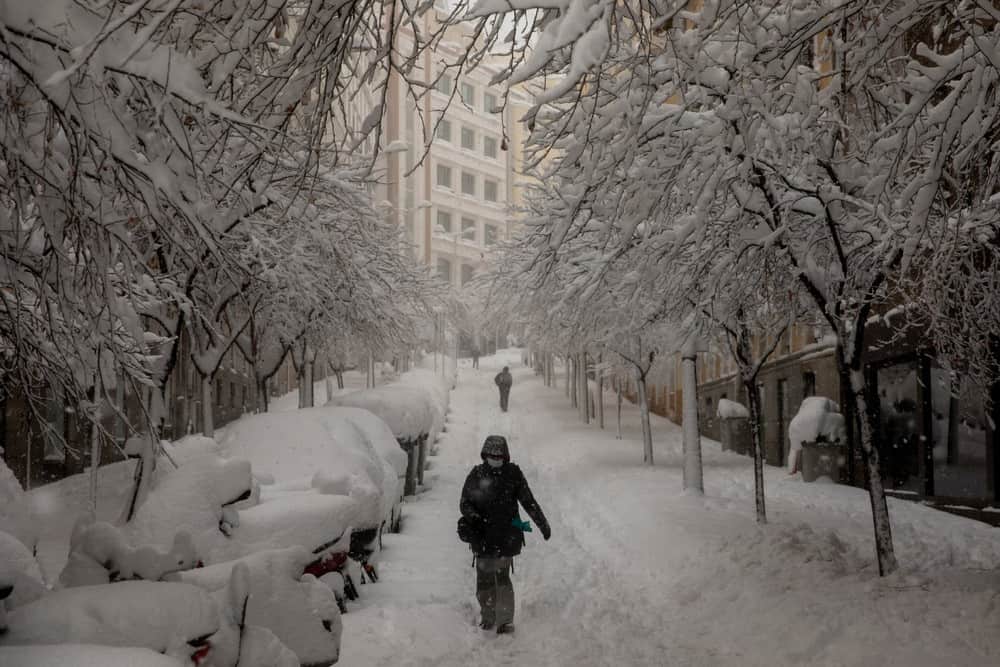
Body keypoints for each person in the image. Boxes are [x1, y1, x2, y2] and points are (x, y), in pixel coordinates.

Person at [459, 435, 550, 634]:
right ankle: (488, 615)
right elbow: (464, 502)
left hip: (506, 536)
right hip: (482, 535)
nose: (495, 458)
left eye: (499, 455)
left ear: (506, 456)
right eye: (492, 455)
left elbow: (528, 501)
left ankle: (505, 620)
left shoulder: (513, 474)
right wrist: (474, 518)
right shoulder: (476, 474)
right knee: (484, 577)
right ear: (485, 455)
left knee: (502, 576)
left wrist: (542, 523)